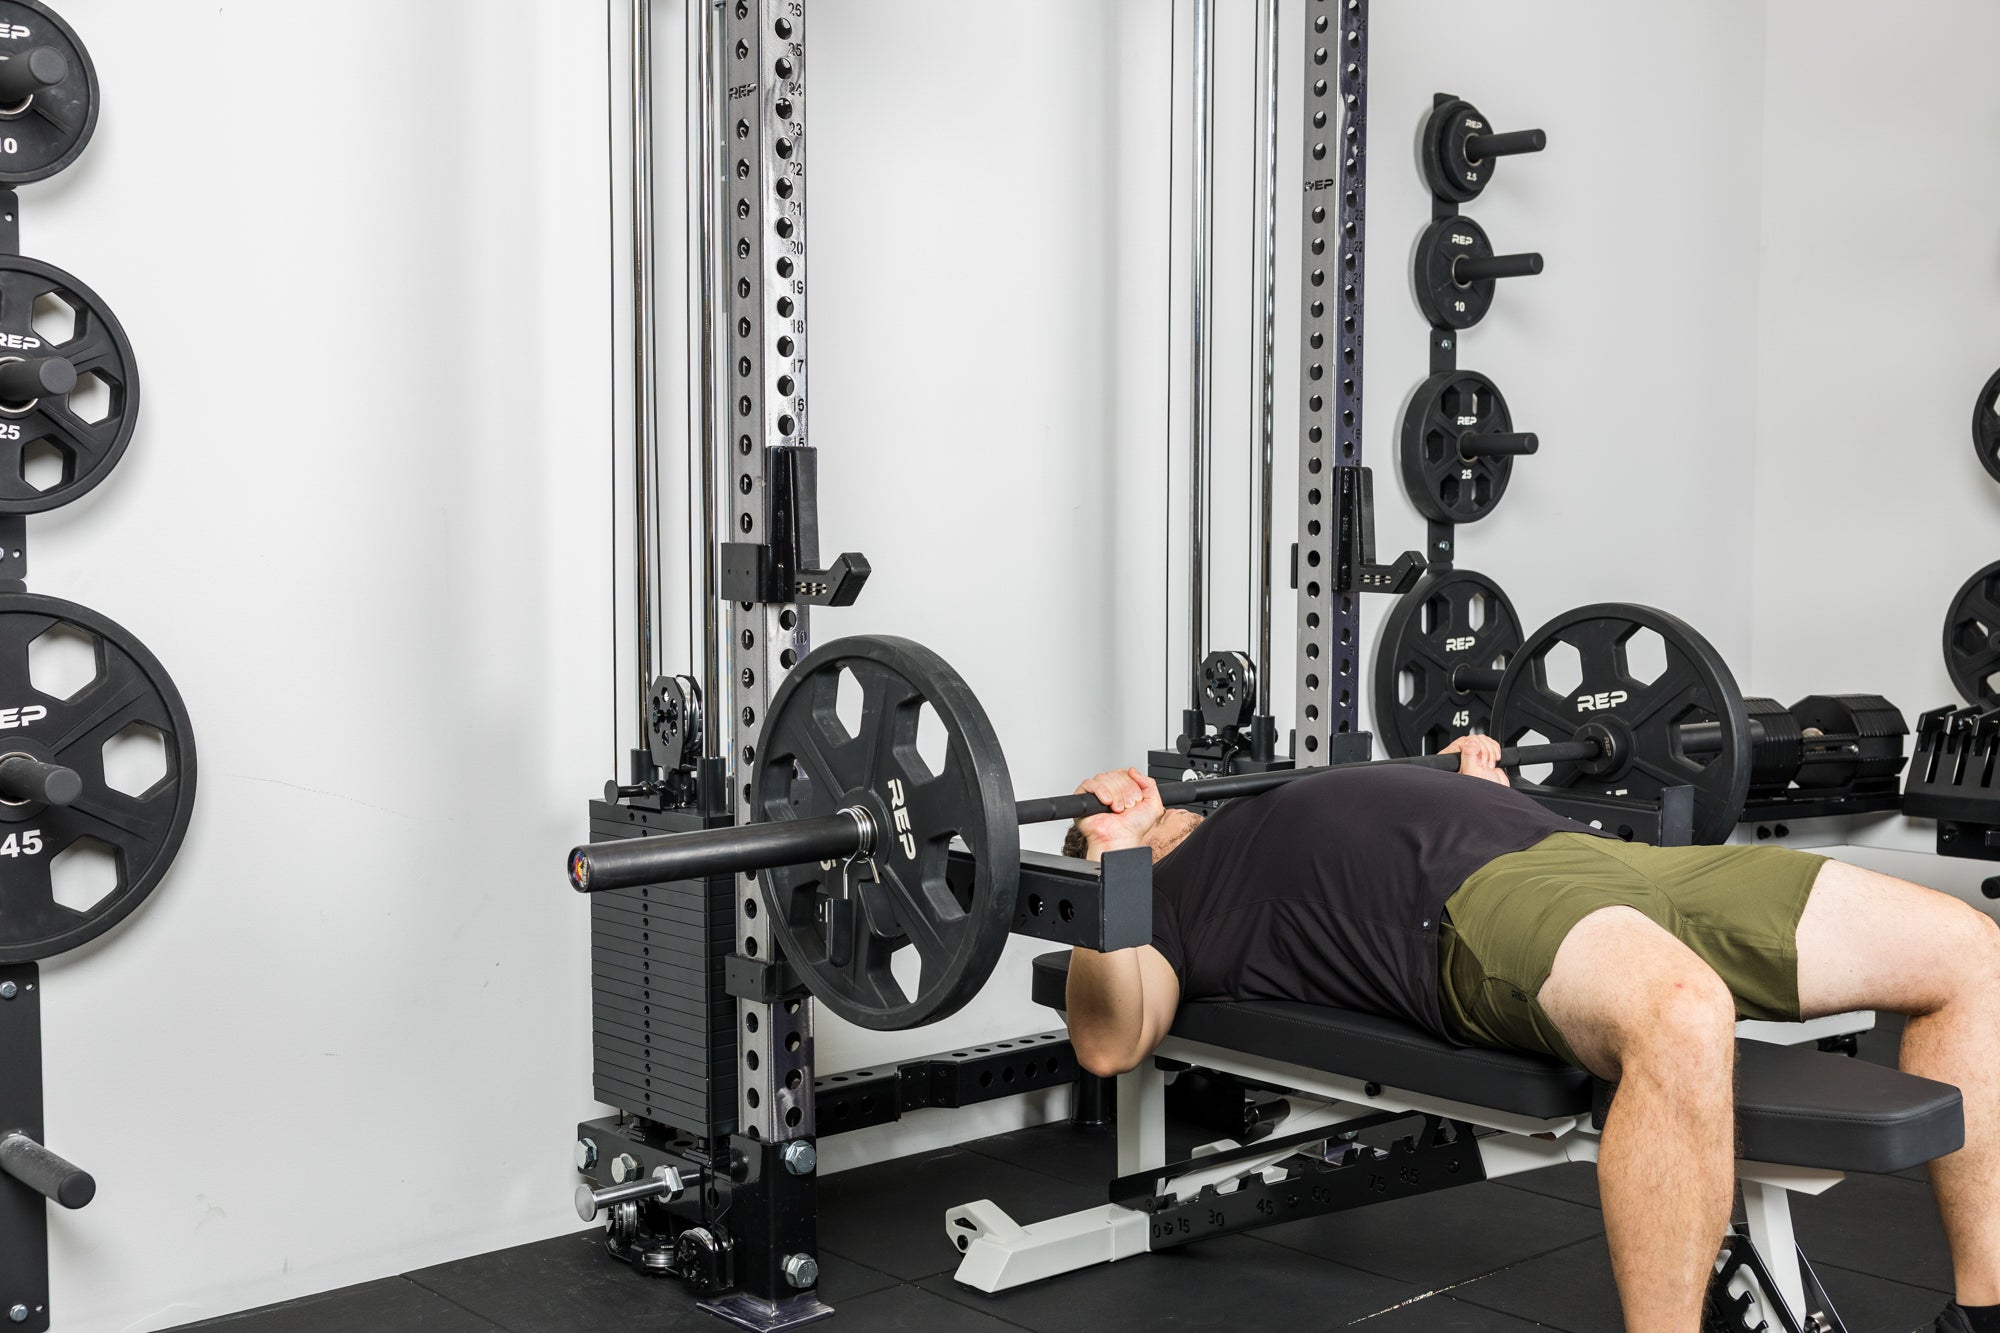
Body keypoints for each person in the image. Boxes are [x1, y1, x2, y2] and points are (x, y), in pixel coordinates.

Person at [1060, 736, 2000, 1333]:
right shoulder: (1161, 901)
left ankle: (1983, 1313)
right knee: (1683, 1011)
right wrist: (1117, 867)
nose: (1144, 793)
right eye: (1115, 809)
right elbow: (1113, 1040)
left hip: (1596, 858)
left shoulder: (1263, 799)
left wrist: (1476, 783)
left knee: (1969, 946)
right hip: (1477, 910)